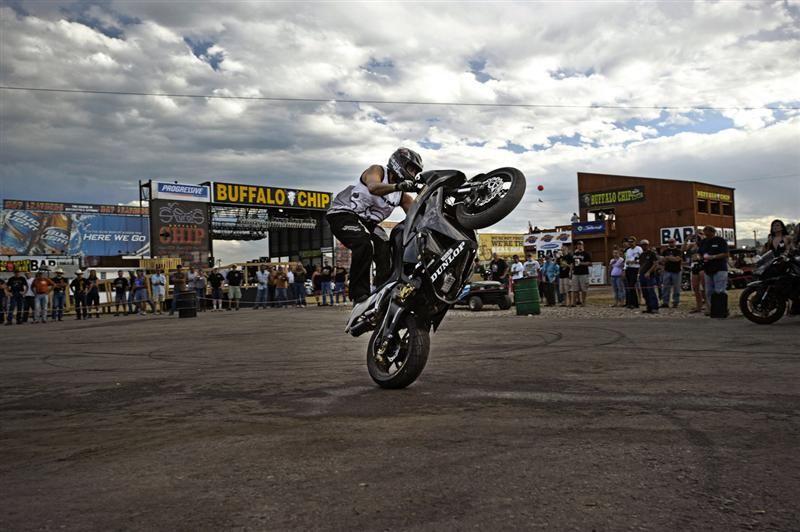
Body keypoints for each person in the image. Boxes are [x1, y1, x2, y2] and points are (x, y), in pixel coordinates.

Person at [326, 147, 421, 303]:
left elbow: (416, 214)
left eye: (415, 171)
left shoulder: (402, 196)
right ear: (399, 163)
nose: (412, 173)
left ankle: (381, 291)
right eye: (410, 168)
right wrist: (398, 186)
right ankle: (359, 295)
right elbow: (373, 187)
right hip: (343, 213)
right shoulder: (377, 171)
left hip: (367, 223)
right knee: (365, 244)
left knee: (385, 247)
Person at [698, 226, 729, 317]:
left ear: (713, 232)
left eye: (707, 232)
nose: (706, 234)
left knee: (719, 290)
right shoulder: (703, 242)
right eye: (705, 233)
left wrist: (713, 257)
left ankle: (723, 309)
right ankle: (713, 309)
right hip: (708, 269)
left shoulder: (720, 240)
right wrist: (701, 257)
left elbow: (726, 253)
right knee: (709, 291)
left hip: (720, 268)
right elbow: (699, 253)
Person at [684, 233, 706, 314]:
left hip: (702, 263)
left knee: (704, 287)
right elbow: (683, 250)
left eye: (699, 235)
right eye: (697, 236)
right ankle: (699, 306)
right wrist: (686, 240)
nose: (698, 237)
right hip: (694, 264)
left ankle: (708, 305)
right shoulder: (693, 244)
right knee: (695, 287)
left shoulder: (705, 243)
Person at [566, 241, 591, 306]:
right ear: (576, 246)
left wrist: (581, 263)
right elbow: (572, 263)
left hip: (583, 273)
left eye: (580, 245)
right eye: (578, 245)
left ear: (583, 245)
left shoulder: (586, 253)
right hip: (575, 273)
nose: (579, 246)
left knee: (583, 289)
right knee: (574, 289)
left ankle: (583, 302)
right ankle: (574, 302)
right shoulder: (574, 254)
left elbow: (589, 263)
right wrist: (570, 272)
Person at [638, 240, 660, 314]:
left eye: (645, 245)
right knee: (644, 292)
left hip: (650, 275)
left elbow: (655, 264)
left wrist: (649, 272)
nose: (644, 246)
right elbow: (641, 265)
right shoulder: (641, 255)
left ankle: (655, 307)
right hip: (642, 275)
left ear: (648, 245)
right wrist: (639, 273)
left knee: (651, 291)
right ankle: (649, 307)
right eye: (642, 245)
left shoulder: (652, 253)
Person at [660, 238, 683, 308]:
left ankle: (676, 302)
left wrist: (668, 258)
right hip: (667, 271)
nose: (670, 243)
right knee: (665, 288)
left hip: (676, 271)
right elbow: (662, 260)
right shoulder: (665, 251)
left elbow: (677, 259)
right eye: (669, 242)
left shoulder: (678, 251)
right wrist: (670, 258)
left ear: (675, 242)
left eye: (672, 242)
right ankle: (665, 302)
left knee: (676, 288)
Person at [623, 237, 642, 309]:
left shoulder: (639, 249)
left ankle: (635, 303)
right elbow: (626, 260)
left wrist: (634, 261)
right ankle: (631, 303)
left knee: (632, 285)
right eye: (629, 242)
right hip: (629, 268)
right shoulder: (628, 250)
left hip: (636, 268)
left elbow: (641, 259)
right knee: (630, 286)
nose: (630, 243)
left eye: (632, 242)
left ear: (635, 242)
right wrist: (624, 269)